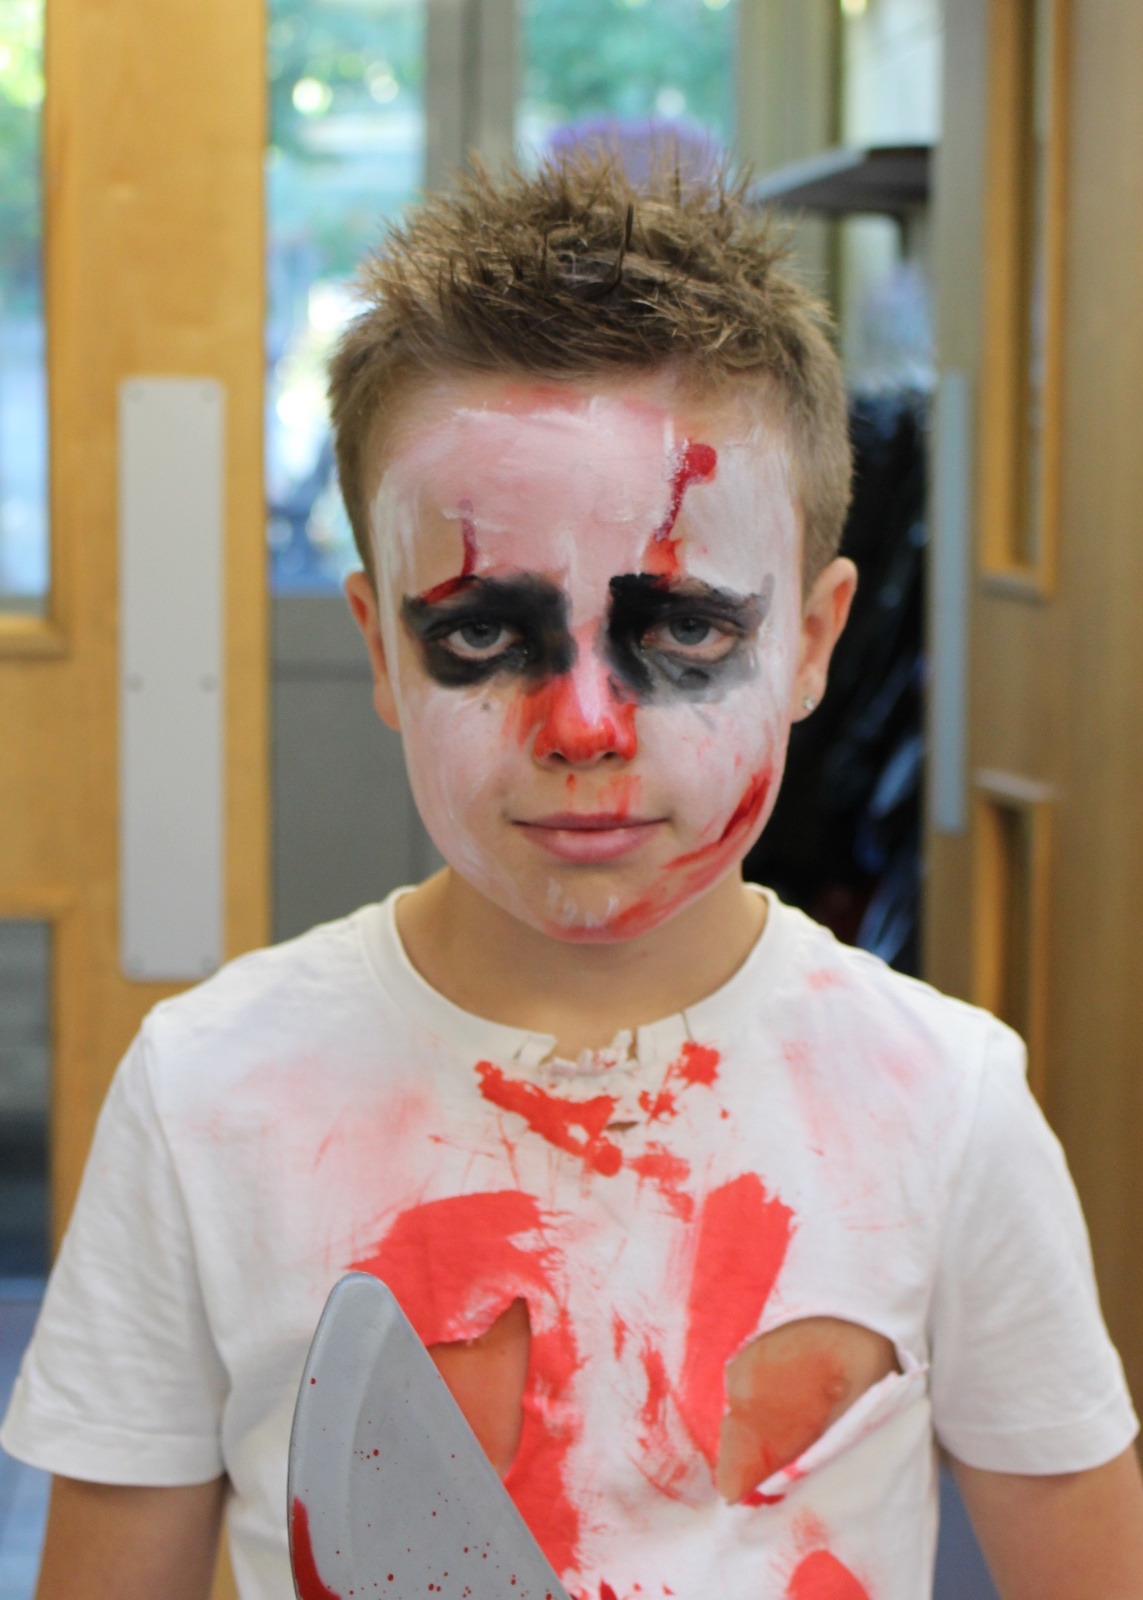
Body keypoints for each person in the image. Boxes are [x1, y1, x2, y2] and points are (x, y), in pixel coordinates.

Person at [5, 156, 1143, 1600]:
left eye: (685, 631)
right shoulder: (209, 1094)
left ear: (809, 641)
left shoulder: (943, 1100)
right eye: (484, 637)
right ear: (381, 649)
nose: (587, 728)